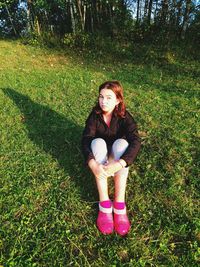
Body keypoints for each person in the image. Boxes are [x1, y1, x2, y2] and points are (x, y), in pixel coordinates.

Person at [81, 81, 141, 236]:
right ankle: (105, 204)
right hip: (99, 153)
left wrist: (119, 163)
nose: (103, 101)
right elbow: (86, 139)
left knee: (122, 144)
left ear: (118, 100)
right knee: (97, 141)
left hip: (116, 155)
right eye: (101, 96)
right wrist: (92, 163)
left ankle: (119, 204)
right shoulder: (95, 115)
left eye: (109, 97)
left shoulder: (125, 116)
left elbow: (135, 140)